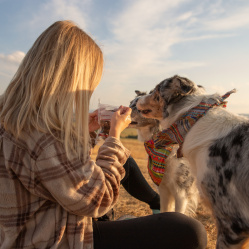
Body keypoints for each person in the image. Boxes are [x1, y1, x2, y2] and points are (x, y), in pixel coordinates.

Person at [0, 20, 207, 249]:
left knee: (124, 163)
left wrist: (85, 135)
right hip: (55, 239)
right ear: (72, 80)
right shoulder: (41, 136)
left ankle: (154, 203)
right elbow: (99, 201)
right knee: (188, 230)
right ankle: (152, 207)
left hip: (32, 227)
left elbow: (57, 173)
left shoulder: (18, 119)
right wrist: (115, 137)